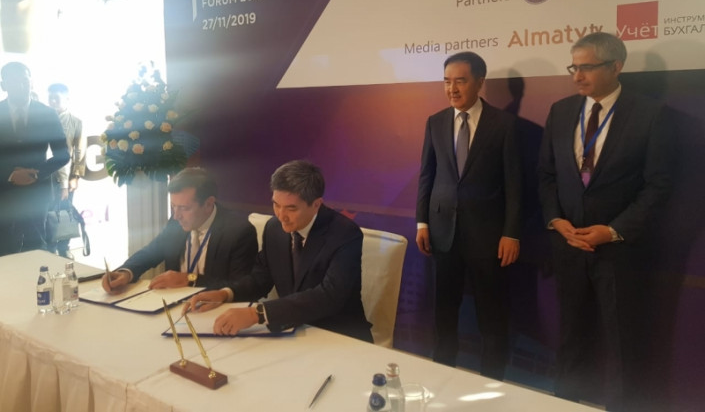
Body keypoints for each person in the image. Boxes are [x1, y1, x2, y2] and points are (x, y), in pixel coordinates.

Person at [538, 32, 673, 411]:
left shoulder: (650, 115)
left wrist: (613, 231)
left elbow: (658, 186)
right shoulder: (561, 111)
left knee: (622, 342)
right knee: (570, 337)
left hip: (618, 251)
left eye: (587, 67)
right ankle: (563, 405)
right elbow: (546, 176)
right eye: (573, 67)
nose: (577, 76)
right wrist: (555, 219)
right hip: (569, 245)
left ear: (616, 66)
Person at [415, 52, 522, 380]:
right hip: (442, 233)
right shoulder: (435, 121)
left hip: (488, 237)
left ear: (479, 82)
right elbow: (427, 175)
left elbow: (515, 184)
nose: (452, 89)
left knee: (492, 316)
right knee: (444, 312)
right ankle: (441, 374)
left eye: (460, 81)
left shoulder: (503, 124)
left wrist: (511, 232)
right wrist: (422, 221)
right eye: (447, 81)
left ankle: (493, 382)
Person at [185, 160, 372, 342]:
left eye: (291, 208)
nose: (282, 216)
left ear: (316, 204)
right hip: (291, 330)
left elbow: (330, 296)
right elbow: (260, 278)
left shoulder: (344, 233)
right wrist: (225, 294)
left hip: (339, 335)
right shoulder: (274, 228)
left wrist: (258, 314)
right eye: (276, 204)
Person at [101, 167, 257, 291]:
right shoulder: (176, 222)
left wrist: (190, 279)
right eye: (173, 206)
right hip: (174, 303)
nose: (176, 216)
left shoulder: (239, 232)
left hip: (215, 309)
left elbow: (241, 286)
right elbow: (152, 251)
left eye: (184, 208)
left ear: (208, 204)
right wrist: (126, 272)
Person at [0, 62, 70, 256]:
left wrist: (36, 174)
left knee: (37, 250)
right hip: (3, 194)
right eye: (14, 81)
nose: (21, 86)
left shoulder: (47, 113)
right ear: (3, 85)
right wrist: (10, 175)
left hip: (37, 194)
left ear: (31, 82)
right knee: (4, 252)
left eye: (25, 80)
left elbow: (63, 154)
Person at [46, 83, 86, 258]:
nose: (53, 101)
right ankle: (49, 248)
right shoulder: (42, 120)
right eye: (50, 98)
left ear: (67, 99)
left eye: (57, 98)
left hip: (67, 176)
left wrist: (75, 176)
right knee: (46, 212)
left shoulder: (76, 122)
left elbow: (79, 151)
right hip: (45, 176)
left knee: (64, 211)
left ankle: (64, 247)